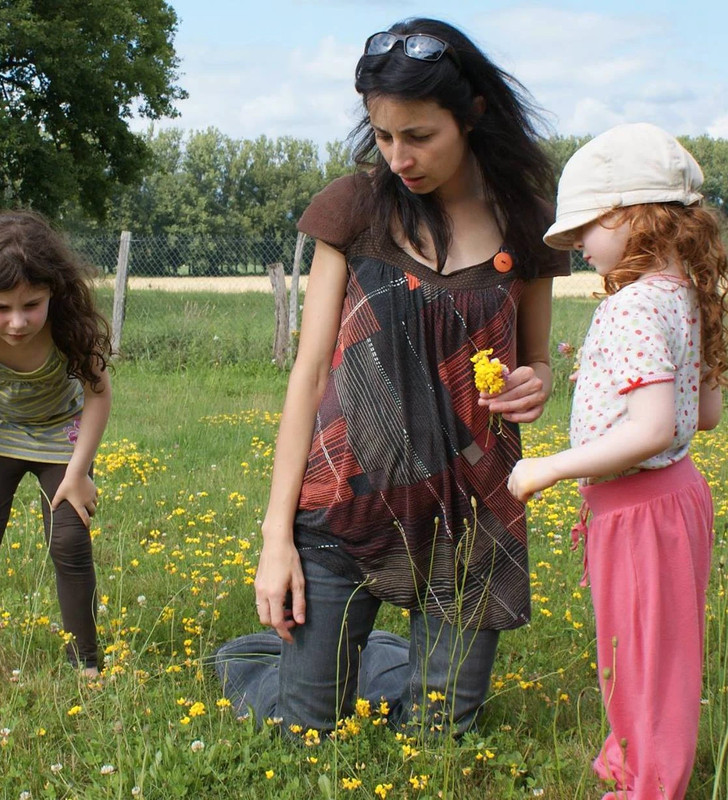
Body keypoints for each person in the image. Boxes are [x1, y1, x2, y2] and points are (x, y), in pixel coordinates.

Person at [215, 18, 568, 737]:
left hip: (470, 519)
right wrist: (275, 536)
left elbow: (536, 363)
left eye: (418, 136)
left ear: (470, 115)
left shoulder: (527, 222)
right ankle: (263, 662)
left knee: (437, 737)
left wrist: (534, 385)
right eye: (382, 135)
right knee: (304, 727)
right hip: (345, 511)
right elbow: (310, 372)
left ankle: (377, 654)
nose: (398, 156)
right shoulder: (355, 208)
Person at [508, 123, 727, 799]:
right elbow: (706, 413)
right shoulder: (688, 296)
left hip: (639, 510)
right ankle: (632, 760)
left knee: (646, 660)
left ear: (633, 216)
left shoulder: (631, 308)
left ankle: (652, 787)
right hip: (675, 499)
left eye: (585, 231)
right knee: (645, 651)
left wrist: (550, 466)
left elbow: (657, 426)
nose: (578, 247)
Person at [0, 210, 113, 706]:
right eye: (0, 307)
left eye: (32, 304)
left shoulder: (70, 325)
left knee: (70, 541)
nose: (17, 321)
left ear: (54, 291)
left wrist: (77, 476)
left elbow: (98, 396)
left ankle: (86, 665)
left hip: (61, 432)